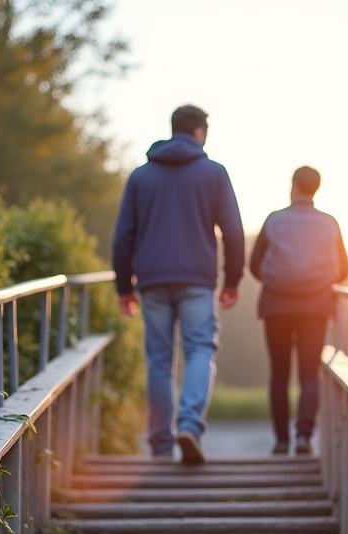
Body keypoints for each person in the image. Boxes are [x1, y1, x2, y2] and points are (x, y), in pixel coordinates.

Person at [112, 105, 245, 463]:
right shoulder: (214, 173)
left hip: (152, 280)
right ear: (200, 132)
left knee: (159, 361)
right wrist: (233, 279)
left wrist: (124, 286)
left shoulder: (141, 176)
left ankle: (160, 444)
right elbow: (233, 231)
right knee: (200, 349)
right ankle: (188, 425)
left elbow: (124, 236)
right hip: (197, 279)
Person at [249, 166, 348, 455]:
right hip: (315, 308)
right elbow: (343, 269)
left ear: (293, 186)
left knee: (279, 373)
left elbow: (254, 265)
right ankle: (304, 436)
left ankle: (281, 441)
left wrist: (277, 280)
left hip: (276, 306)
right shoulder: (329, 223)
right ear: (316, 189)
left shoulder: (274, 219)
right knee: (308, 374)